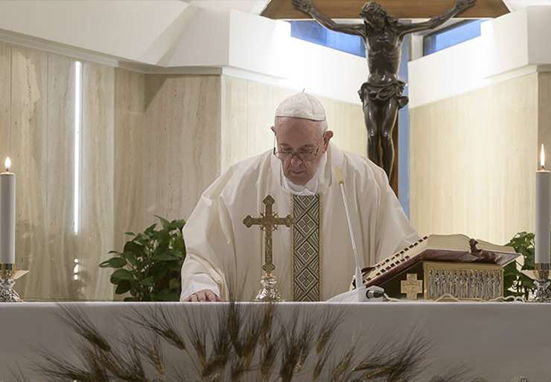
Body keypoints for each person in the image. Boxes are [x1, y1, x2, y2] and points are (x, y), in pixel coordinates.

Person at [180, 92, 419, 302]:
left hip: (347, 334)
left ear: (326, 140)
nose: (294, 163)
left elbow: (398, 252)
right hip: (262, 336)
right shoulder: (240, 182)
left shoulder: (365, 180)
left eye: (306, 151)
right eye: (285, 150)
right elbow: (205, 253)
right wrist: (202, 286)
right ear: (274, 134)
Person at [292, 0, 476, 179]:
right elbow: (332, 25)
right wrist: (310, 10)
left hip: (390, 88)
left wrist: (456, 8)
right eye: (371, 20)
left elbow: (431, 23)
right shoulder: (365, 32)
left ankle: (385, 180)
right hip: (371, 89)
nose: (374, 23)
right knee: (372, 134)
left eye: (376, 19)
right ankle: (375, 177)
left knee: (386, 134)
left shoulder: (397, 31)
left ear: (382, 15)